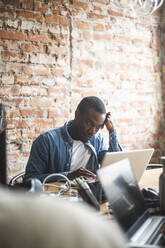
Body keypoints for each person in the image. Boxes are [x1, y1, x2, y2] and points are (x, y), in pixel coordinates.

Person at [24, 96, 122, 182]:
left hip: (89, 198)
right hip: (60, 200)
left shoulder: (97, 139)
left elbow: (115, 166)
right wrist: (67, 176)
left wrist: (112, 132)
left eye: (98, 127)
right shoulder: (47, 141)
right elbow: (29, 180)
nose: (93, 131)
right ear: (77, 115)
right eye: (89, 123)